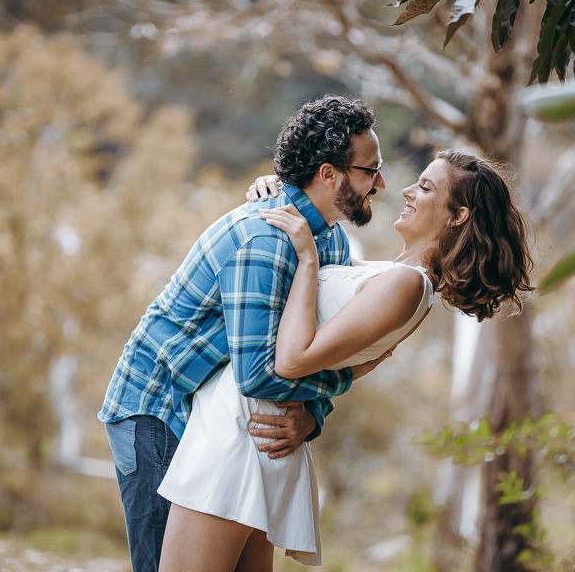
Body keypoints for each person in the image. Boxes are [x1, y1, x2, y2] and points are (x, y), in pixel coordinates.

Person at [155, 149, 534, 571]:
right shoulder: (391, 275)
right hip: (251, 427)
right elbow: (320, 250)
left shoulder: (406, 286)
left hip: (240, 435)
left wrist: (306, 259)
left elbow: (293, 359)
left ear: (458, 215)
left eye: (425, 187)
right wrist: (278, 191)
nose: (406, 190)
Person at [98, 95, 389, 572]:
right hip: (158, 407)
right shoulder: (267, 238)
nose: (380, 182)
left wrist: (312, 413)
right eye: (369, 169)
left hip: (213, 412)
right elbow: (257, 374)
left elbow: (311, 346)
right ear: (328, 174)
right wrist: (343, 381)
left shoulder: (329, 237)